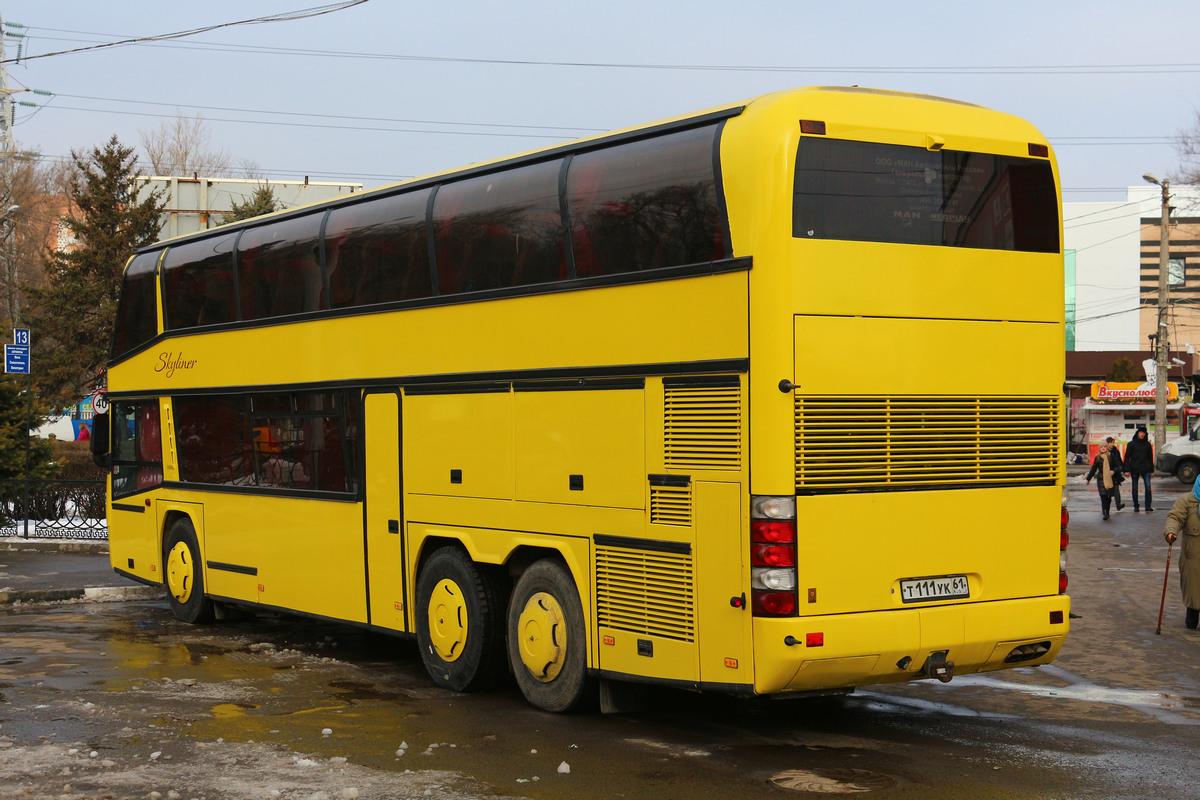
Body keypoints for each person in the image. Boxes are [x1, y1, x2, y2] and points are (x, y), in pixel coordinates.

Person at [1163, 475, 1200, 629]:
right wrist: (1171, 532)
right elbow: (1175, 517)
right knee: (1193, 588)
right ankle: (1192, 613)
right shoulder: (1186, 501)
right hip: (1193, 556)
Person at [1085, 443, 1121, 520]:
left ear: (1107, 448)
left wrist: (1113, 471)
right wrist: (1088, 479)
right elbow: (1093, 469)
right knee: (1103, 496)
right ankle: (1105, 513)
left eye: (1105, 447)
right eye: (1102, 447)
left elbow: (1118, 466)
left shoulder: (1111, 456)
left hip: (1110, 479)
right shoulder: (1097, 458)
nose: (1103, 448)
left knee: (1108, 496)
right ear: (1099, 448)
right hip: (1101, 478)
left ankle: (1107, 510)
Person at [1123, 425, 1154, 512]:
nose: (1142, 434)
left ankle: (1148, 506)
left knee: (1148, 487)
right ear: (1137, 433)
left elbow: (1150, 458)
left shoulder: (1147, 445)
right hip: (1134, 468)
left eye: (1143, 433)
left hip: (1146, 469)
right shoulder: (1131, 444)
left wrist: (1151, 470)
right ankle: (1136, 506)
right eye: (1140, 432)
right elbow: (1126, 457)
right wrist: (1126, 469)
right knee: (1135, 488)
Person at [1105, 437, 1126, 511]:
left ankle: (1118, 505)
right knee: (1108, 492)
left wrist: (1122, 469)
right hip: (1107, 474)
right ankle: (1106, 508)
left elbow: (1119, 462)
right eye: (1111, 442)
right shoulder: (1104, 451)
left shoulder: (1116, 451)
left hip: (1115, 473)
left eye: (1113, 442)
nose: (1112, 444)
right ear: (1107, 443)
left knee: (1116, 489)